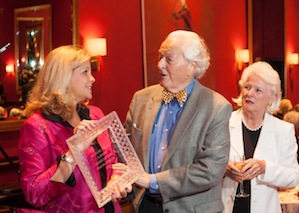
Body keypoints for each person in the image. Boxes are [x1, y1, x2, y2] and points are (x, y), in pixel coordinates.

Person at [124, 30, 232, 213]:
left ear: (192, 66)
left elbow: (209, 170)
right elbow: (125, 149)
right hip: (145, 206)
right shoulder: (141, 99)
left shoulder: (216, 108)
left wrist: (152, 181)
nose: (159, 65)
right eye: (160, 57)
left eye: (169, 59)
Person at [18, 45, 132, 213]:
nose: (92, 79)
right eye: (85, 72)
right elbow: (34, 194)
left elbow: (111, 162)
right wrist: (74, 152)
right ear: (63, 78)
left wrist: (116, 179)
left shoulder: (95, 114)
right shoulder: (37, 127)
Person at [222, 61, 299, 213]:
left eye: (258, 90)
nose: (250, 93)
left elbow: (293, 177)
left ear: (271, 98)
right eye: (247, 87)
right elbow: (206, 162)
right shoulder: (223, 123)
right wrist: (224, 169)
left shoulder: (283, 130)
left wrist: (265, 168)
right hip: (226, 207)